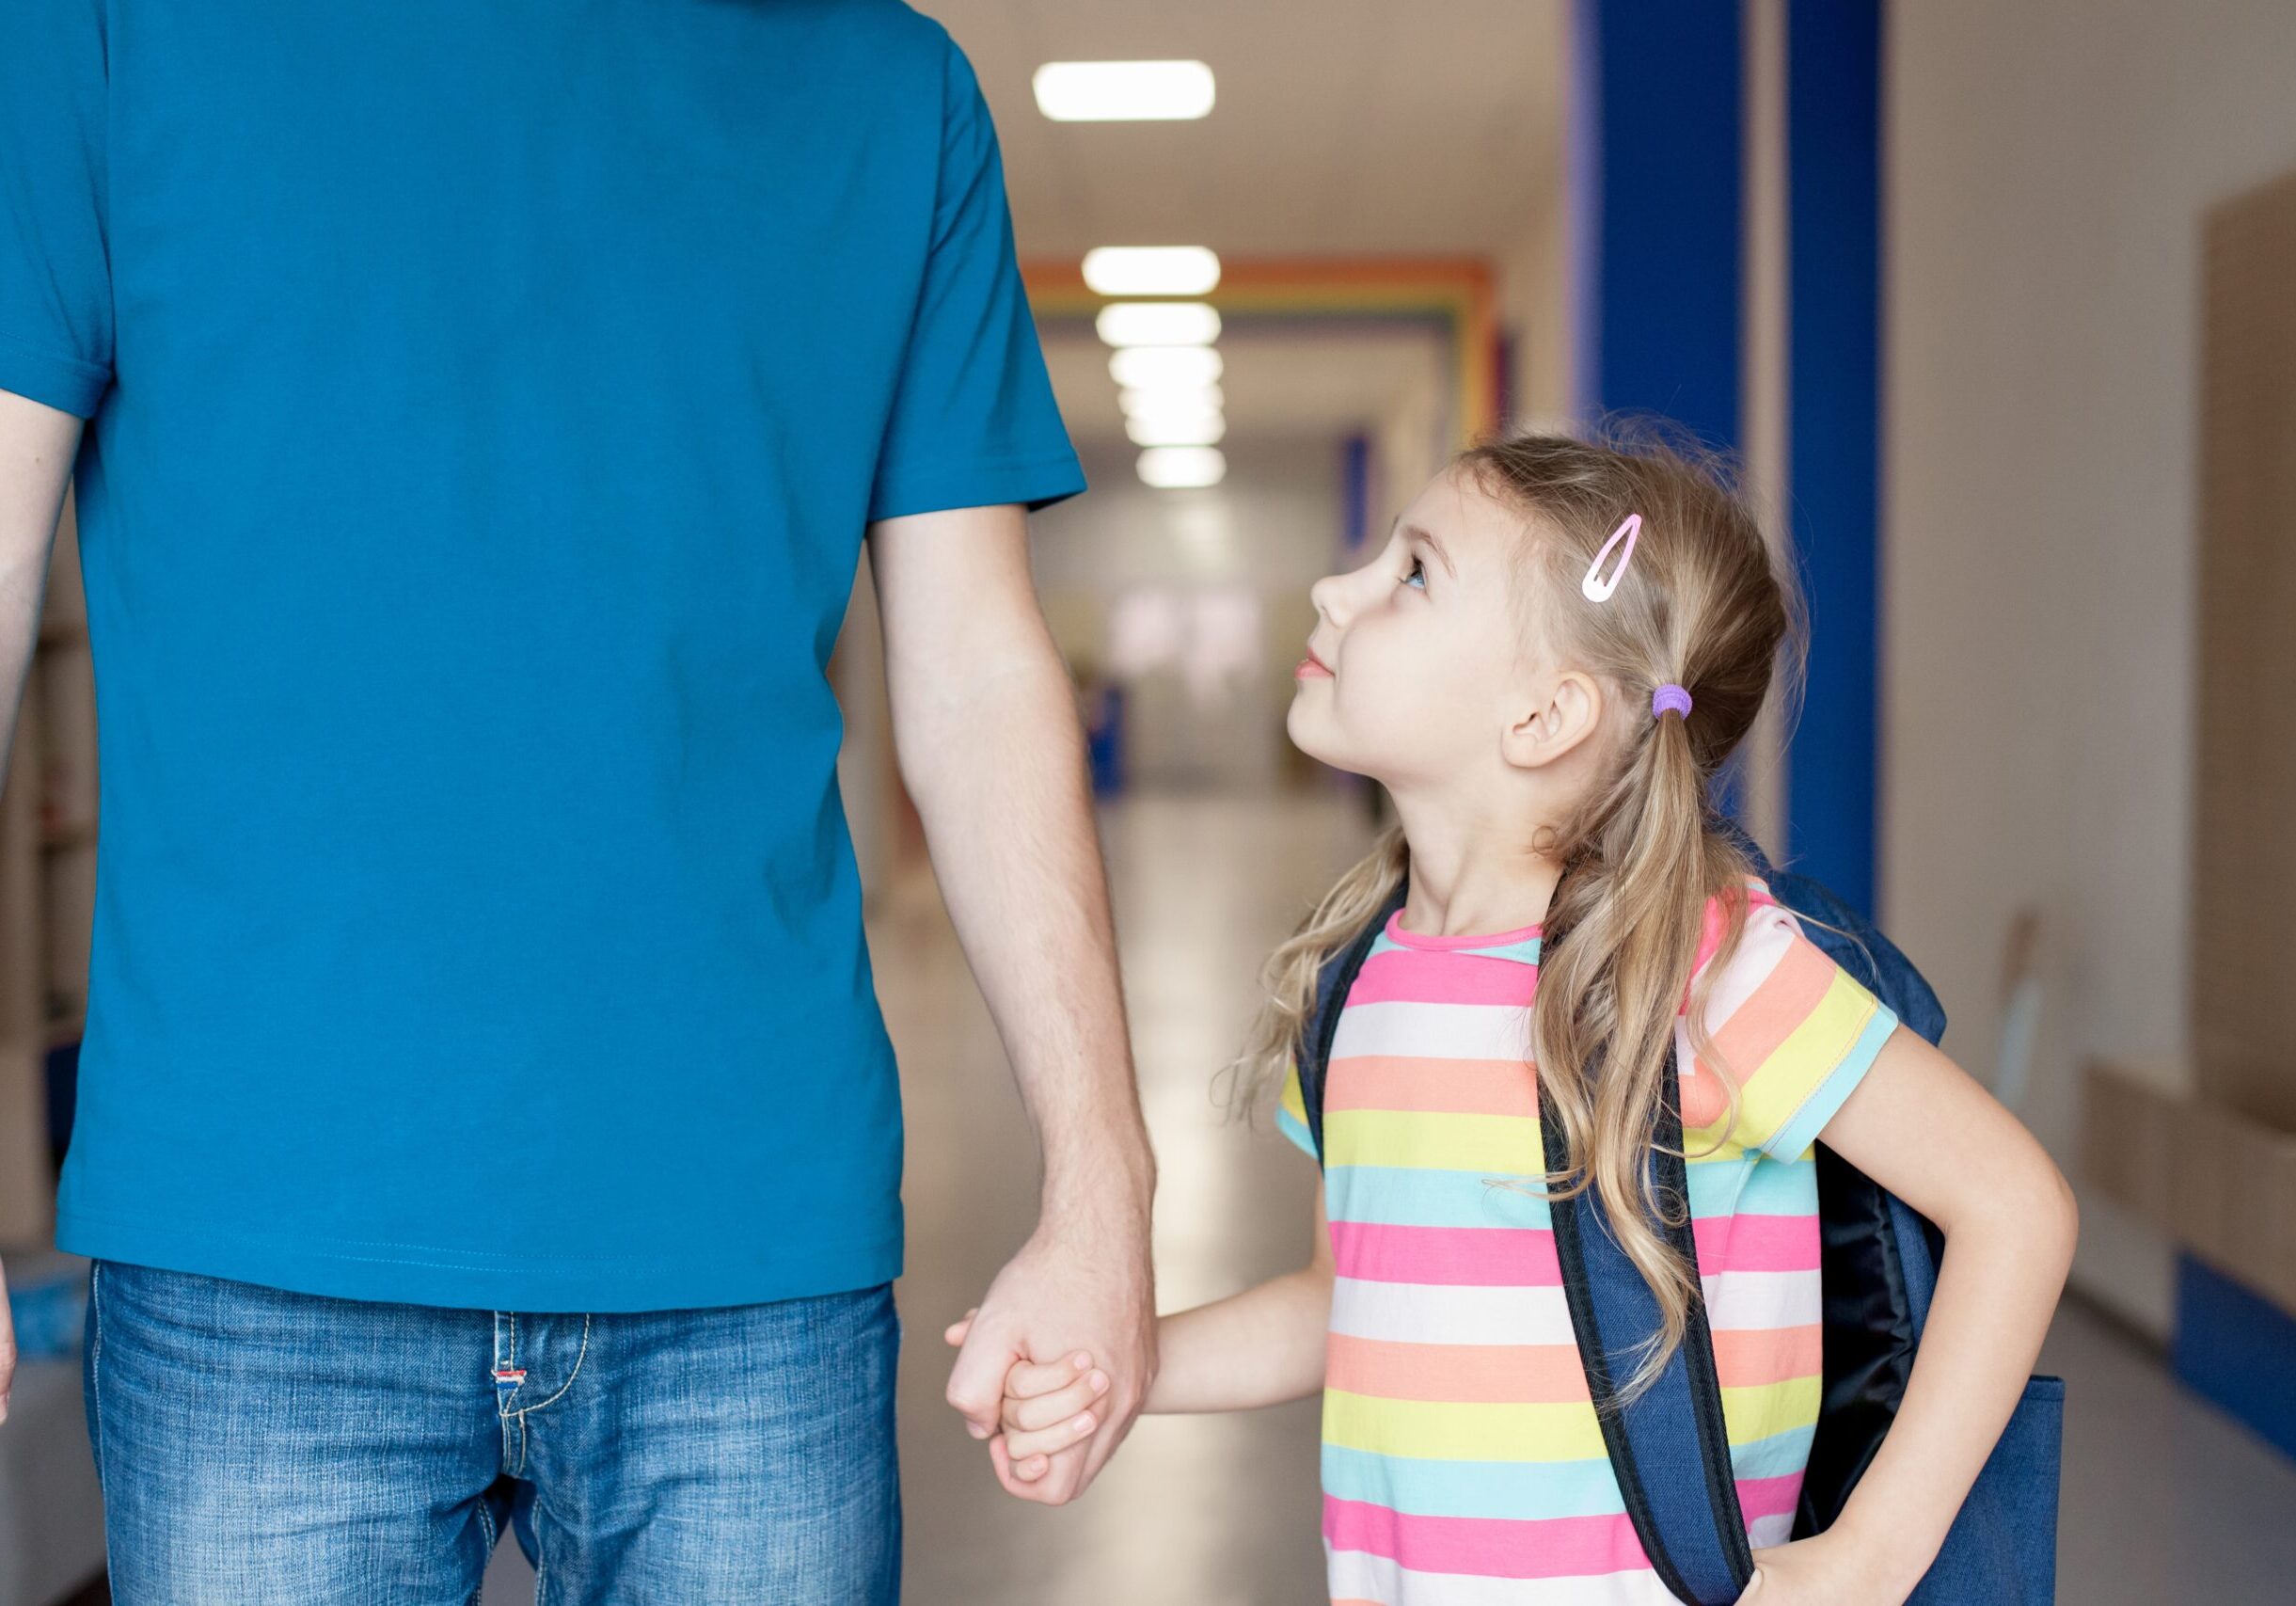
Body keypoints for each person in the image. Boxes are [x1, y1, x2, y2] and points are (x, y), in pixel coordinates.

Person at [0, 2, 1153, 1598]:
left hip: (751, 1240)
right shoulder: (108, 36)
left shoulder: (893, 93)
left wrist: (1106, 1188)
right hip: (256, 1233)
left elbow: (973, 673)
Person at [956, 432, 2078, 1602]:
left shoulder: (1704, 974)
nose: (1335, 588)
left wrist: (1867, 1556)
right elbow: (1341, 1301)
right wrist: (1119, 1366)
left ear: (1545, 716)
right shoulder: (1353, 985)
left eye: (1412, 573)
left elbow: (2012, 1205)